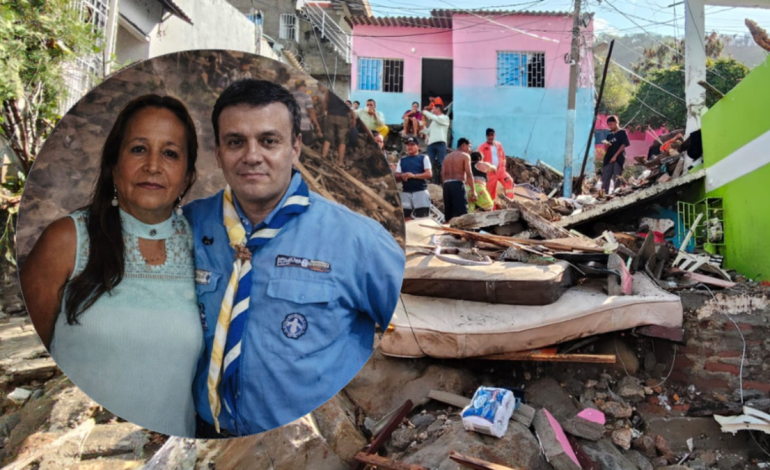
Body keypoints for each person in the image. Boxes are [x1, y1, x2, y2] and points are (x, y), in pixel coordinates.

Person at [184, 79, 404, 438]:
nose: (252, 155)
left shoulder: (357, 240)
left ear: (295, 148)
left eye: (269, 141)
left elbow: (414, 333)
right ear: (219, 151)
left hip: (309, 446)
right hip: (205, 434)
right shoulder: (188, 226)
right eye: (236, 142)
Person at [20, 95, 201, 437]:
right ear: (114, 165)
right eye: (138, 149)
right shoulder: (68, 240)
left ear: (187, 174)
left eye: (170, 153)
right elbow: (34, 360)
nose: (152, 166)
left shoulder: (205, 248)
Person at [395, 136, 432, 220]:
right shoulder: (402, 160)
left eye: (412, 144)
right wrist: (402, 175)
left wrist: (414, 176)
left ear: (418, 146)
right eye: (408, 145)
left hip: (420, 192)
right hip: (406, 192)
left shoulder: (423, 158)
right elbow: (396, 176)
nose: (409, 147)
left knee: (422, 216)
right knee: (406, 217)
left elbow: (429, 174)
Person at [441, 138, 476, 222]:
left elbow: (442, 173)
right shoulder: (465, 156)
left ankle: (448, 233)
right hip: (457, 185)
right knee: (461, 214)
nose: (470, 149)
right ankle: (460, 234)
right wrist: (473, 190)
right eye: (469, 146)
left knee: (449, 214)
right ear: (463, 145)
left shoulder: (447, 157)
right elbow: (469, 174)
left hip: (446, 186)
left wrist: (445, 187)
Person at [322, 87, 355, 167]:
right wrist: (354, 117)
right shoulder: (347, 90)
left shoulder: (330, 89)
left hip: (331, 115)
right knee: (342, 141)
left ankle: (322, 158)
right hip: (343, 117)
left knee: (328, 139)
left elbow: (325, 101)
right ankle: (340, 162)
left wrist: (325, 111)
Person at [477, 128, 507, 207]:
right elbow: (479, 162)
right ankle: (491, 208)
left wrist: (503, 167)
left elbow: (503, 157)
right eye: (489, 135)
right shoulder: (482, 147)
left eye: (492, 135)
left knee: (509, 182)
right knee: (490, 192)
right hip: (490, 173)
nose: (491, 137)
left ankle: (510, 204)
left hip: (500, 171)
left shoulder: (499, 145)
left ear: (495, 135)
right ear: (486, 136)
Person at [421, 103, 450, 185]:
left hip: (440, 143)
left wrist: (426, 112)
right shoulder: (434, 121)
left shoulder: (445, 118)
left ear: (438, 109)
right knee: (430, 163)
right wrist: (422, 126)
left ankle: (443, 181)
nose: (432, 110)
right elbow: (428, 132)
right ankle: (431, 181)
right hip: (431, 144)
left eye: (433, 109)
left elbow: (435, 118)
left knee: (442, 163)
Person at [601, 115, 630, 195]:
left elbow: (623, 145)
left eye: (611, 124)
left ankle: (615, 195)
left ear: (616, 123)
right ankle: (604, 195)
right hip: (608, 159)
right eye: (608, 125)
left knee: (616, 178)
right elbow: (606, 150)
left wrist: (615, 156)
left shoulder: (622, 133)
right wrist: (606, 146)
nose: (610, 126)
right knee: (605, 178)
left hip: (618, 159)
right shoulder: (609, 135)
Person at [291, 80, 321, 147]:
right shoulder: (305, 96)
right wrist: (317, 124)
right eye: (305, 87)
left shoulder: (290, 95)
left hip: (292, 126)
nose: (306, 89)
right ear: (302, 87)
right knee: (306, 145)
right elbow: (311, 112)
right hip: (304, 127)